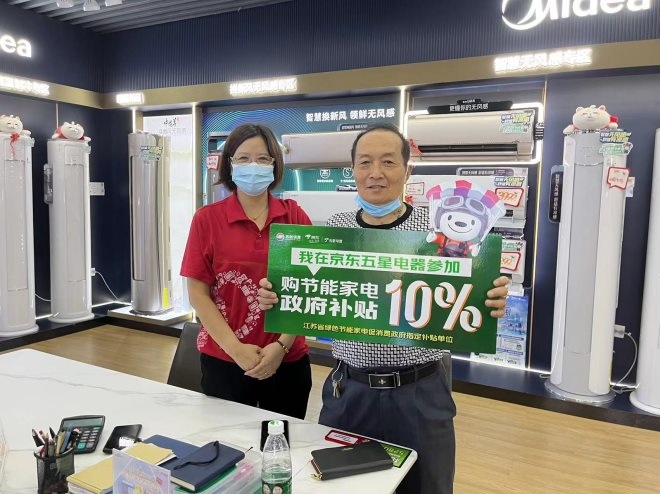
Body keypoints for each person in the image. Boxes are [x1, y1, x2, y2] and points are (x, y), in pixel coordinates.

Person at [258, 124, 509, 494]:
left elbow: (470, 290)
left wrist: (491, 296)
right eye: (365, 163)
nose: (375, 172)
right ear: (353, 171)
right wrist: (278, 296)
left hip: (420, 391)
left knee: (428, 486)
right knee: (344, 486)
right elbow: (310, 294)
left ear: (407, 171)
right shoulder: (338, 229)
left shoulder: (439, 230)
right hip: (349, 390)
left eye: (388, 162)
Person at [180, 123, 312, 420]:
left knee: (282, 441)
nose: (253, 166)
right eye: (243, 158)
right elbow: (198, 294)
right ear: (230, 164)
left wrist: (281, 346)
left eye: (263, 159)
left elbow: (308, 289)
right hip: (224, 360)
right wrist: (235, 349)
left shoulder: (294, 216)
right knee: (227, 441)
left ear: (275, 165)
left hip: (287, 359)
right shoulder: (207, 219)